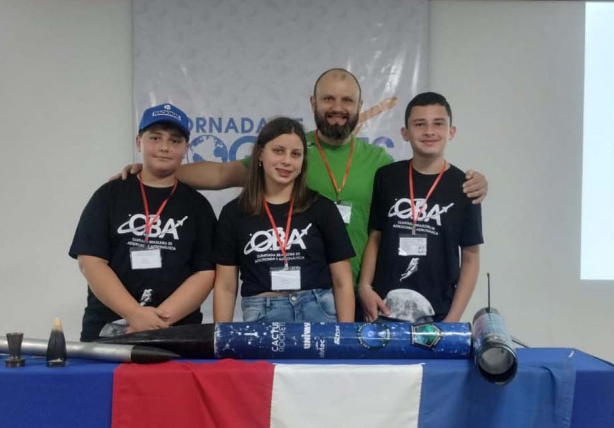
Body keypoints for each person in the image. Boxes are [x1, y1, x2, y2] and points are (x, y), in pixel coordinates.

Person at [116, 69, 488, 285]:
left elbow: (425, 181)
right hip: (308, 292)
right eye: (328, 99)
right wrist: (157, 171)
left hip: (367, 290)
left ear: (360, 107)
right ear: (314, 104)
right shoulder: (290, 151)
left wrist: (474, 182)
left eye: (346, 101)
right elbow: (219, 173)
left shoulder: (380, 160)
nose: (338, 109)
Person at [69, 103, 217, 341]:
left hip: (175, 332)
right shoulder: (109, 195)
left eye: (175, 141)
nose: (164, 148)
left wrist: (157, 321)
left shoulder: (198, 206)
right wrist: (134, 314)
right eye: (155, 138)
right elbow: (91, 261)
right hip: (109, 330)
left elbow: (205, 273)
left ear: (186, 148)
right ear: (139, 141)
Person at [213, 117, 355, 323]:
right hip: (262, 313)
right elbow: (226, 287)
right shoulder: (234, 213)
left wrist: (345, 337)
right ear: (260, 154)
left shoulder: (322, 208)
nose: (287, 161)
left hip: (318, 310)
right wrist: (222, 339)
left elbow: (342, 281)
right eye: (278, 151)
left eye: (295, 154)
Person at [358, 92, 482, 323]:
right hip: (383, 307)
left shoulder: (465, 186)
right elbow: (375, 237)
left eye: (438, 123)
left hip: (438, 313)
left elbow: (471, 257)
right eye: (419, 124)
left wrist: (452, 320)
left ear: (451, 132)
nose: (429, 131)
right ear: (405, 133)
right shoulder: (387, 177)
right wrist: (364, 286)